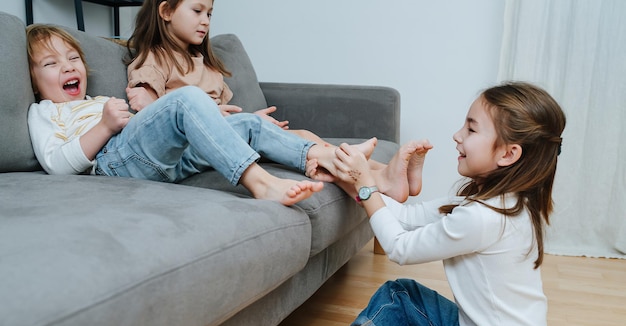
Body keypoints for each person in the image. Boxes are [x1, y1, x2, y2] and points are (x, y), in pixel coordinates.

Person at [265, 81, 565, 326]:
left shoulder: (485, 218)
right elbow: (407, 217)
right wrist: (351, 180)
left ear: (508, 153)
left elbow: (400, 248)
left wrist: (366, 186)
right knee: (401, 295)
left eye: (471, 128)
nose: (457, 136)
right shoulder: (488, 201)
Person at [124, 0, 418, 202]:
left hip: (216, 144)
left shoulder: (208, 66)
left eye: (210, 14)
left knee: (301, 136)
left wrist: (249, 118)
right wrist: (234, 119)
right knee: (269, 131)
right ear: (165, 10)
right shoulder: (155, 57)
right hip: (182, 148)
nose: (205, 21)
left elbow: (227, 119)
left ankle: (380, 175)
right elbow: (150, 112)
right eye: (197, 10)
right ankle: (371, 175)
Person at [26, 24, 336, 206]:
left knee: (248, 123)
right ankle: (262, 183)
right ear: (34, 83)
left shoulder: (100, 100)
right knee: (186, 98)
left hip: (165, 160)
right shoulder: (45, 111)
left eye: (73, 58)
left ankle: (317, 159)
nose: (67, 66)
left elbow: (151, 131)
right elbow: (57, 165)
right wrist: (106, 126)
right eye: (51, 64)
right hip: (113, 165)